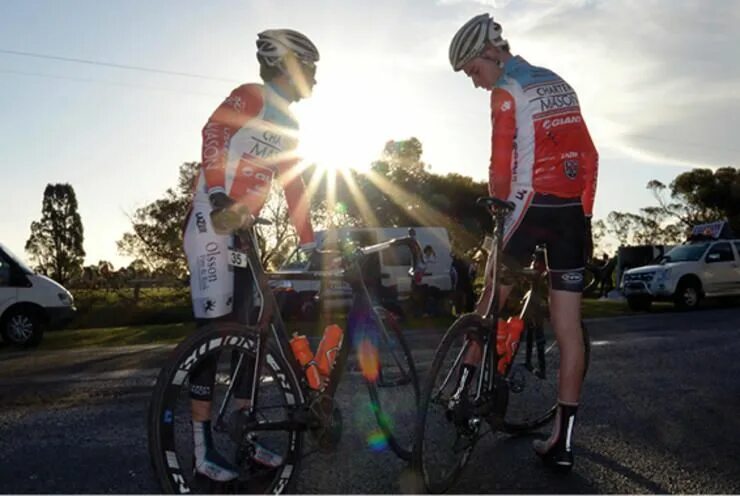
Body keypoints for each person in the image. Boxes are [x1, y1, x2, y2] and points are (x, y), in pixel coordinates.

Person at [448, 14, 598, 471]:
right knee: (568, 331)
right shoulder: (559, 83)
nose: (476, 83)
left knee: (492, 294)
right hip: (572, 213)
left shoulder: (505, 92)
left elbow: (499, 168)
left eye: (474, 71)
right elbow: (589, 155)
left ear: (491, 53)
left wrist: (497, 217)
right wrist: (586, 215)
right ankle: (563, 442)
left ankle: (464, 389)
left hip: (527, 208)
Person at [182, 28, 319, 482]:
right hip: (212, 220)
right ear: (288, 67)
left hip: (245, 232)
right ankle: (202, 453)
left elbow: (294, 182)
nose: (315, 81)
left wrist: (310, 242)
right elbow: (214, 131)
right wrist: (220, 192)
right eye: (311, 70)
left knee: (250, 335)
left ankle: (244, 434)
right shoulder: (251, 96)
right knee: (213, 336)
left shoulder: (292, 125)